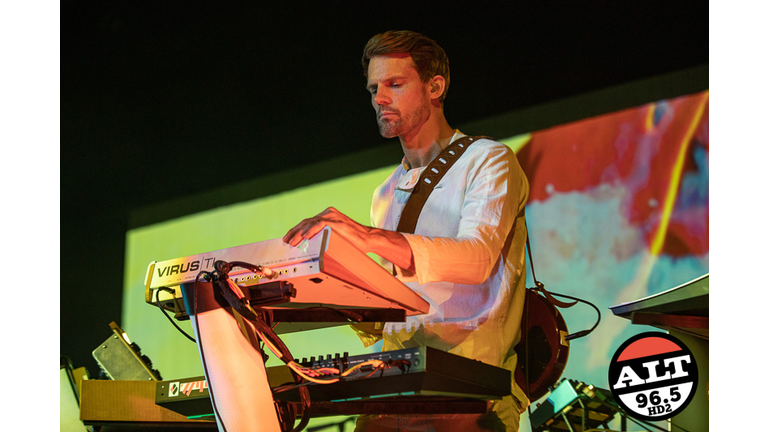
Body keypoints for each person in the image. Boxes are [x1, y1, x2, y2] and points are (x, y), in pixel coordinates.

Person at [283, 30, 530, 431]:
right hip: (394, 386)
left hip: (469, 387)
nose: (379, 98)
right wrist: (330, 287)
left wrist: (367, 238)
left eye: (395, 85)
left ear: (435, 87)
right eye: (374, 88)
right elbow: (392, 311)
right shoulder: (385, 192)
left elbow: (477, 259)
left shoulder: (489, 160)